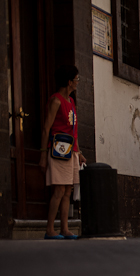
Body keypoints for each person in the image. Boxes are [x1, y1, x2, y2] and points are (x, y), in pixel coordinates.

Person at [38, 65, 86, 239]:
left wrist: (78, 152)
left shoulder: (72, 102)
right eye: (76, 79)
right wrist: (43, 154)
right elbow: (46, 129)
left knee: (68, 191)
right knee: (59, 190)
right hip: (58, 151)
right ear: (69, 82)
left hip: (71, 151)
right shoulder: (56, 101)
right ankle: (50, 229)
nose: (77, 82)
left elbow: (74, 130)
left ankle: (64, 229)